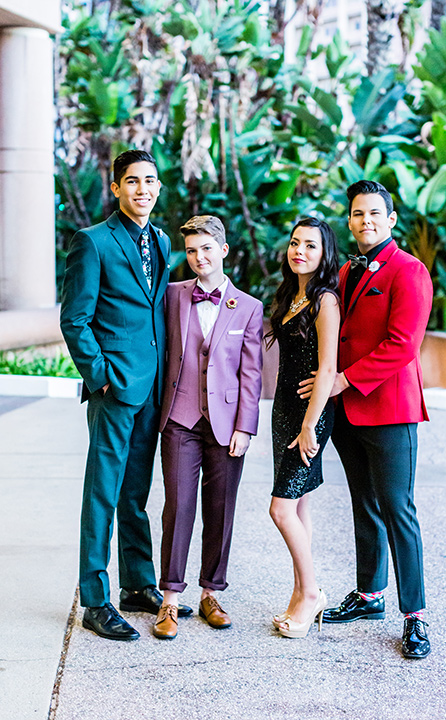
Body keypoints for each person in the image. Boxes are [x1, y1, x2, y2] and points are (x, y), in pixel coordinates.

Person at [60, 149, 191, 641]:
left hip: (153, 390)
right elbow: (75, 318)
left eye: (151, 181)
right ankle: (94, 599)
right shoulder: (92, 242)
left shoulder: (159, 239)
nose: (143, 189)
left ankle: (138, 583)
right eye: (132, 181)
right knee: (104, 493)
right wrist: (102, 376)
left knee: (136, 493)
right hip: (115, 390)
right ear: (115, 188)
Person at [300, 180, 433, 658]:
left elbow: (402, 345)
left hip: (390, 409)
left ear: (391, 219)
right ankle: (370, 595)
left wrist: (341, 380)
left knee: (399, 509)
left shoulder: (409, 271)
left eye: (374, 213)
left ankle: (415, 615)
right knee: (364, 503)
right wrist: (318, 380)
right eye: (357, 214)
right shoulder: (343, 272)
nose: (365, 221)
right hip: (348, 413)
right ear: (350, 219)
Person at [152, 215, 264, 640]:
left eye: (206, 249)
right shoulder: (171, 295)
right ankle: (170, 598)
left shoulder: (248, 307)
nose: (199, 258)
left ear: (223, 250)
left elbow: (251, 375)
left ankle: (211, 592)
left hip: (226, 424)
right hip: (179, 419)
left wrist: (246, 427)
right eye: (192, 251)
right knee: (177, 507)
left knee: (221, 508)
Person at [266, 217, 340, 639]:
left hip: (308, 416)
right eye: (295, 243)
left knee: (280, 508)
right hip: (283, 412)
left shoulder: (324, 300)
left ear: (324, 253)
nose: (300, 251)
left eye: (311, 246)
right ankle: (299, 592)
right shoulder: (291, 295)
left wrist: (310, 424)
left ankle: (312, 593)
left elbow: (327, 367)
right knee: (299, 507)